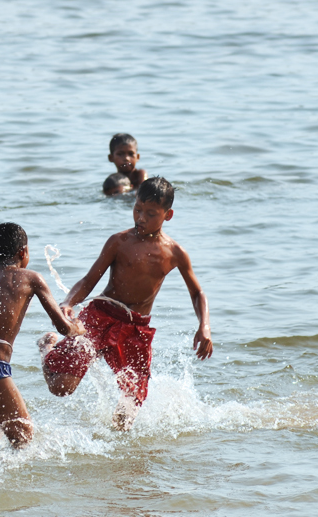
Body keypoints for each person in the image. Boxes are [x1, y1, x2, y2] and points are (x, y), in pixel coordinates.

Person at [39, 177, 213, 430]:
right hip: (101, 315)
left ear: (168, 215)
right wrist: (68, 302)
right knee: (61, 389)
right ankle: (48, 346)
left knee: (127, 414)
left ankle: (120, 465)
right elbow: (88, 280)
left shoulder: (175, 253)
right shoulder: (119, 242)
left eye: (150, 213)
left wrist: (204, 326)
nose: (141, 218)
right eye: (137, 209)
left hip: (136, 328)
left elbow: (197, 293)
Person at [0, 223, 84, 447]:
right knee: (24, 441)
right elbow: (62, 327)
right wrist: (79, 328)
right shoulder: (31, 278)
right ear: (23, 252)